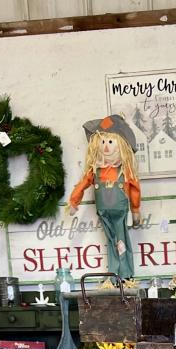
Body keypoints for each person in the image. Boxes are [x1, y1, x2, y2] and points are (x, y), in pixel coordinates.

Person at [68, 115, 142, 280]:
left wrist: (136, 210)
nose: (106, 147)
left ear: (121, 145)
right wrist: (74, 201)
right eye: (103, 142)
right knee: (111, 241)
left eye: (110, 142)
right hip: (103, 212)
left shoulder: (125, 170)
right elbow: (82, 184)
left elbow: (135, 189)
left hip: (120, 212)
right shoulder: (95, 170)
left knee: (121, 240)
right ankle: (113, 274)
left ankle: (125, 274)